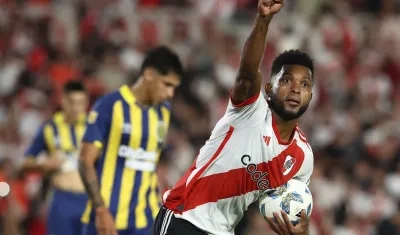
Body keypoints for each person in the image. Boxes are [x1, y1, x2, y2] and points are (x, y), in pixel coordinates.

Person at [151, 0, 314, 235]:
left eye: (305, 84)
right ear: (268, 88)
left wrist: (300, 231)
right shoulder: (250, 109)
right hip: (185, 218)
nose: (296, 89)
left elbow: (294, 213)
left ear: (311, 96)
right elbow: (247, 73)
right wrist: (263, 20)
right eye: (287, 80)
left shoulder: (302, 158)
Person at [78, 46, 184, 235]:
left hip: (146, 220)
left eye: (174, 87)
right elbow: (85, 161)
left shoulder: (164, 111)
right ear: (149, 74)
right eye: (167, 84)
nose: (170, 94)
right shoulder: (110, 105)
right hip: (107, 219)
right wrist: (101, 210)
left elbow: (152, 162)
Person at [22, 81, 89, 235]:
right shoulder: (49, 128)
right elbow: (26, 163)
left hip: (89, 199)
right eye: (72, 102)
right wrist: (44, 164)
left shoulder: (95, 126)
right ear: (63, 101)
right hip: (62, 199)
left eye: (81, 103)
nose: (76, 108)